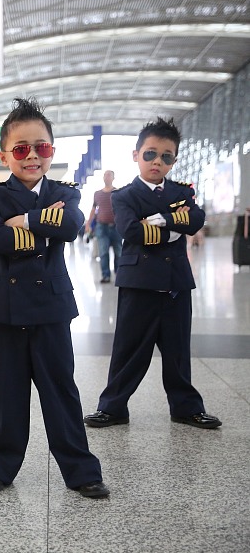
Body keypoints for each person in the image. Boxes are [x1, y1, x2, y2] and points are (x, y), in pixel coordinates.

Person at [0, 97, 108, 499]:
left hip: (50, 307)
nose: (32, 155)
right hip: (2, 309)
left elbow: (70, 226)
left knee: (60, 389)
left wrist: (25, 220)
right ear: (5, 156)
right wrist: (40, 224)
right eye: (21, 149)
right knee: (1, 390)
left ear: (52, 151)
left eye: (41, 147)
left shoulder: (66, 193)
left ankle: (81, 470)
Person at [84, 117, 221, 430]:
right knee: (128, 348)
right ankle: (113, 407)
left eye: (166, 156)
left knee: (177, 350)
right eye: (150, 154)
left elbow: (196, 220)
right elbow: (131, 232)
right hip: (139, 283)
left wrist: (156, 221)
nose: (157, 161)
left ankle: (186, 408)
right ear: (136, 155)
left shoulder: (181, 190)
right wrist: (173, 223)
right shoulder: (123, 196)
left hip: (176, 283)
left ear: (173, 160)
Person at [85, 170, 122, 283]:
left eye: (109, 175)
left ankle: (119, 274)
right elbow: (93, 209)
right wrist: (88, 224)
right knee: (103, 252)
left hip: (116, 227)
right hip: (101, 227)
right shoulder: (97, 194)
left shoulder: (118, 192)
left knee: (118, 252)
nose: (107, 177)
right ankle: (106, 275)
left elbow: (123, 209)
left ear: (113, 178)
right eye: (105, 175)